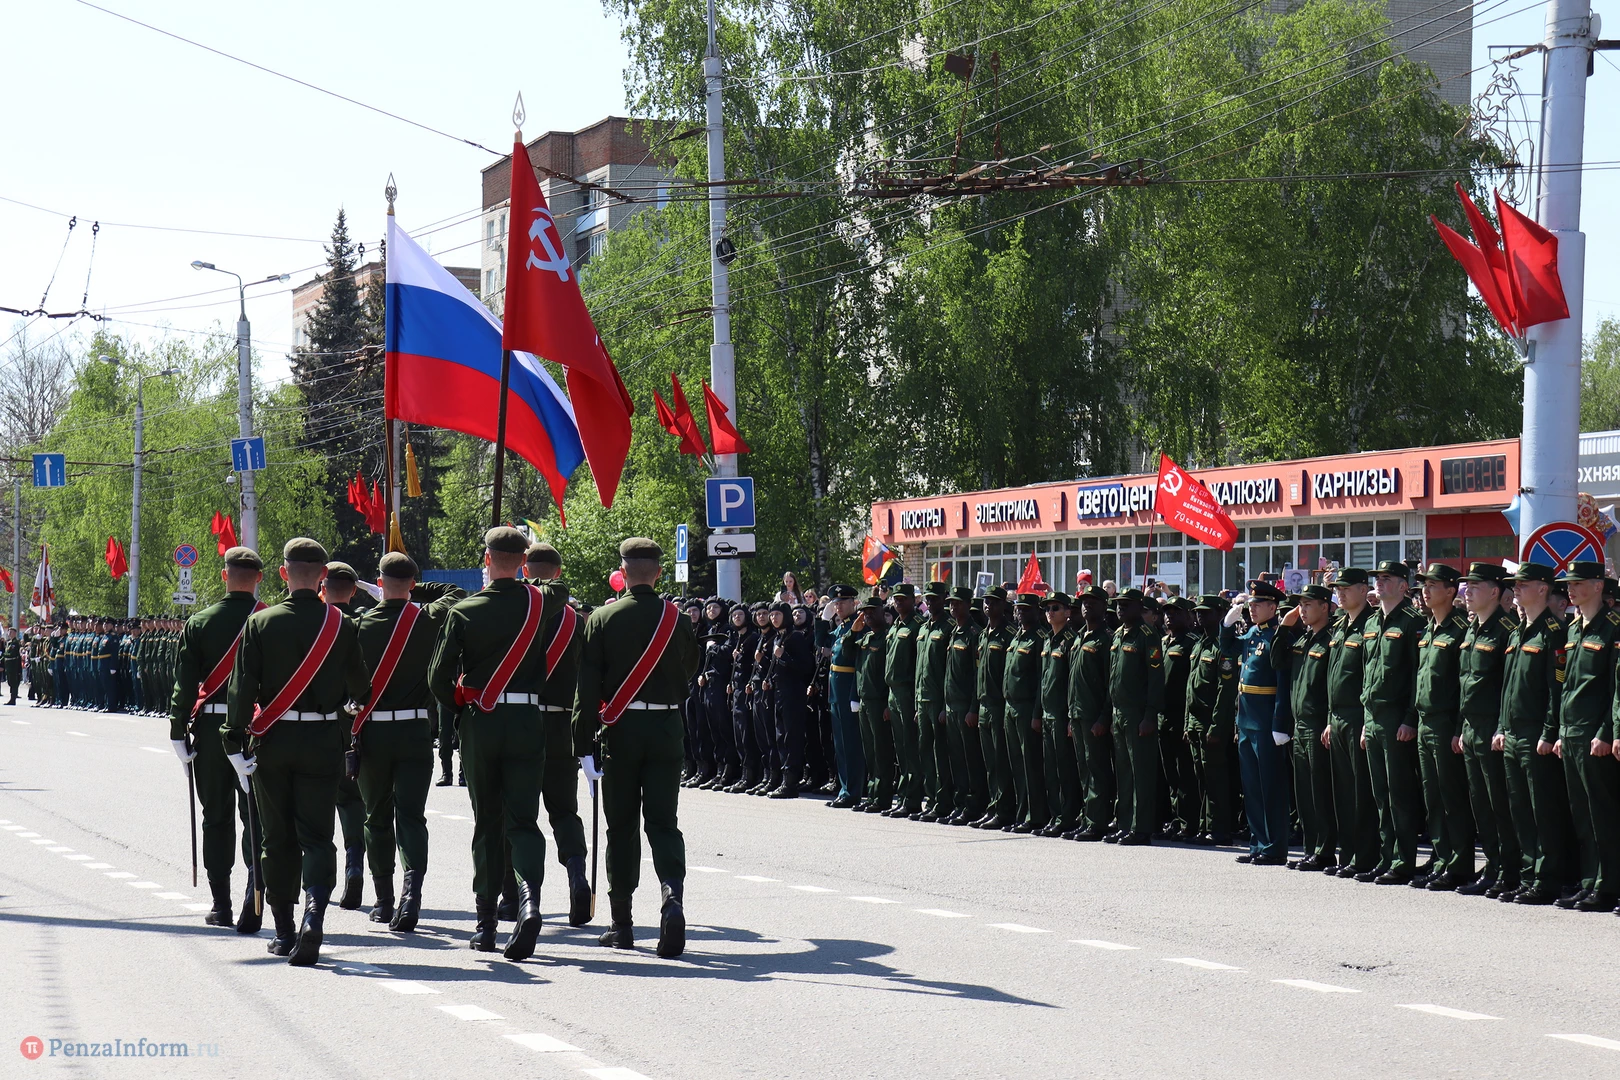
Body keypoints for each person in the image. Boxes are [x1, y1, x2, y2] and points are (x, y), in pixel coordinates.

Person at [223, 538, 372, 966]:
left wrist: (233, 739)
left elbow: (242, 688)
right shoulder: (341, 624)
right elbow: (361, 687)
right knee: (318, 836)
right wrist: (343, 702)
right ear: (323, 576)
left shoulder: (260, 623)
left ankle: (285, 930)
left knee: (276, 838)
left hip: (274, 741)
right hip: (322, 740)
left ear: (284, 573)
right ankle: (314, 915)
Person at [428, 527, 563, 960]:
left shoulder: (464, 611)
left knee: (487, 822)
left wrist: (461, 705)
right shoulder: (542, 602)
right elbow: (558, 586)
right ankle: (530, 902)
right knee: (523, 820)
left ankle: (486, 926)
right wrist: (526, 573)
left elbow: (438, 677)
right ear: (523, 562)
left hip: (481, 721)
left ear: (486, 560)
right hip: (526, 718)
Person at [572, 537, 700, 957]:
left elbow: (587, 687)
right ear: (659, 573)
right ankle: (672, 899)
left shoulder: (602, 618)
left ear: (622, 572)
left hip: (622, 731)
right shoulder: (677, 619)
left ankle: (622, 924)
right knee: (664, 823)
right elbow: (689, 669)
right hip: (665, 727)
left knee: (622, 827)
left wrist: (582, 740)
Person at [350, 552, 465, 932]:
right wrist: (417, 589)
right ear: (413, 584)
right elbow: (453, 592)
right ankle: (411, 894)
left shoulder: (361, 625)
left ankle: (384, 901)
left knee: (376, 817)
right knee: (412, 816)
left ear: (379, 583)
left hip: (373, 732)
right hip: (416, 730)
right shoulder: (429, 619)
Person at [169, 546, 267, 932]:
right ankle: (253, 896)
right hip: (256, 728)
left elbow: (184, 685)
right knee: (255, 816)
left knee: (216, 816)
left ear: (225, 576)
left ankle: (221, 903)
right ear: (259, 578)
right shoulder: (269, 620)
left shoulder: (199, 623)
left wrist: (178, 729)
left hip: (211, 729)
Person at [1498, 563, 1576, 905]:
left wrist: (1548, 731)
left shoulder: (1553, 632)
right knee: (1520, 810)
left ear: (1543, 589)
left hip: (1535, 734)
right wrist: (1501, 727)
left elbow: (1556, 688)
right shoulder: (1518, 631)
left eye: (1523, 584)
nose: (1515, 588)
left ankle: (1547, 879)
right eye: (1514, 584)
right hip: (1513, 732)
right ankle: (1529, 875)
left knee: (1542, 809)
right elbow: (1507, 688)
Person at [1551, 561, 1620, 912]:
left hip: (1595, 736)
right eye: (1569, 583)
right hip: (1572, 732)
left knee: (1602, 814)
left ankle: (1609, 886)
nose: (1570, 589)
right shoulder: (1573, 628)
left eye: (1578, 583)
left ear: (1598, 586)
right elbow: (1565, 684)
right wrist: (1561, 731)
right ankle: (1591, 881)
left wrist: (1607, 731)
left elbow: (1614, 688)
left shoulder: (1612, 628)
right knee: (1582, 814)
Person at [1359, 560, 1426, 885]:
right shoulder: (1372, 621)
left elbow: (1416, 674)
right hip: (1373, 717)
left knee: (1399, 793)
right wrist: (1365, 719)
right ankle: (1387, 857)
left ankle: (1403, 861)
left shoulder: (1413, 622)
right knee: (1381, 794)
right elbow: (1367, 671)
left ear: (1403, 586)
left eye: (1387, 579)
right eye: (1378, 578)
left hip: (1396, 718)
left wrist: (1410, 718)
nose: (1380, 583)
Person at [1456, 562, 1519, 897]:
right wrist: (1460, 728)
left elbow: (1508, 686)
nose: (1467, 592)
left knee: (1499, 805)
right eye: (1467, 586)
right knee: (1480, 803)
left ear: (1495, 592)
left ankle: (1509, 870)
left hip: (1492, 727)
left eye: (1475, 586)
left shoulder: (1506, 629)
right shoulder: (1472, 629)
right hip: (1471, 727)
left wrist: (1500, 727)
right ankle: (1493, 867)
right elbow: (1464, 684)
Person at [1412, 564, 1473, 891]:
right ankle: (1441, 857)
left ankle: (1459, 864)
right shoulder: (1429, 628)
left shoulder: (1460, 629)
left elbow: (1463, 683)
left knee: (1452, 797)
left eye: (1432, 585)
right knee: (1432, 796)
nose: (1425, 591)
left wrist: (1458, 727)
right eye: (1424, 585)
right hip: (1425, 721)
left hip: (1446, 722)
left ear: (1451, 591)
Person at [1221, 580, 1290, 865]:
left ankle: (1274, 846)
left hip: (1265, 722)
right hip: (1247, 721)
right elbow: (1227, 649)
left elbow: (1282, 684)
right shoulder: (1251, 633)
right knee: (1251, 787)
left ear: (1273, 608)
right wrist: (1227, 625)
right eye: (1251, 604)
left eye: (1258, 604)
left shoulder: (1277, 637)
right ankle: (1258, 844)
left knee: (1270, 787)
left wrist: (1280, 723)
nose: (1252, 609)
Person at [320, 560, 371, 911]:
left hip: (318, 726)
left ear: (323, 589)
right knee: (355, 801)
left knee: (316, 803)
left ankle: (319, 881)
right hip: (357, 725)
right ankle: (355, 863)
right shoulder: (364, 624)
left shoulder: (315, 623)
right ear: (354, 591)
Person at [1274, 584, 1335, 870]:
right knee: (1304, 794)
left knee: (1320, 791)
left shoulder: (1331, 640)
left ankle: (1325, 850)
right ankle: (1312, 849)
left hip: (1318, 723)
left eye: (1308, 605)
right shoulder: (1302, 639)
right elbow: (1277, 661)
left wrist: (1329, 721)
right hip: (1299, 725)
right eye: (1301, 605)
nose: (1303, 610)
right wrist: (1284, 628)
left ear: (1325, 607)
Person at [1109, 588, 1165, 846]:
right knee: (1123, 772)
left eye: (1126, 605)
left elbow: (1155, 678)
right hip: (1118, 712)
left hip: (1137, 713)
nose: (1120, 609)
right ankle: (1124, 824)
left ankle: (1141, 827)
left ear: (1138, 608)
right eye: (1118, 605)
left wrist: (1150, 715)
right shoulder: (1118, 634)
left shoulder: (1147, 635)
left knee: (1140, 772)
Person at [1186, 595, 1236, 845]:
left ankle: (1219, 829)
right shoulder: (1200, 644)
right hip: (1195, 722)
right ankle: (1205, 826)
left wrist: (1217, 727)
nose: (1200, 616)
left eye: (1206, 612)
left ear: (1220, 615)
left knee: (1215, 778)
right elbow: (1190, 687)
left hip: (1210, 722)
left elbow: (1225, 691)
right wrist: (1187, 723)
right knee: (1202, 777)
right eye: (1198, 612)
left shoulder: (1223, 647)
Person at [1002, 593, 1047, 834]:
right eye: (1018, 609)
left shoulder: (1039, 638)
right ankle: (1021, 814)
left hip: (1027, 707)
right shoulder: (1017, 636)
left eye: (1026, 609)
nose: (1020, 613)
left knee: (1031, 765)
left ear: (1037, 612)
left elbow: (1042, 679)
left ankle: (1035, 815)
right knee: (1016, 765)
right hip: (1010, 706)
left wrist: (1037, 713)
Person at [1038, 592, 1081, 837]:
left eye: (1055, 608)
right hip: (1047, 713)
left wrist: (1070, 717)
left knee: (1065, 770)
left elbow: (1072, 684)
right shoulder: (1048, 640)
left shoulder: (1071, 641)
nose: (1050, 612)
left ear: (1067, 612)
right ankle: (1055, 816)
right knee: (1051, 769)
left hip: (1062, 714)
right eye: (1047, 608)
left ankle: (1067, 817)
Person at [942, 586, 985, 825]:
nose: (953, 607)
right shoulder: (954, 632)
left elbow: (977, 676)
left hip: (965, 707)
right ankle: (960, 804)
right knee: (956, 759)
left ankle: (973, 805)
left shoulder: (974, 634)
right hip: (951, 705)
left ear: (969, 605)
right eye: (951, 603)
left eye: (958, 603)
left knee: (971, 760)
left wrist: (973, 708)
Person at [1157, 597, 1199, 840]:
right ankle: (1175, 818)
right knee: (1170, 773)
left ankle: (1188, 822)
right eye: (1167, 612)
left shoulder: (1191, 643)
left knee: (1185, 773)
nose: (1169, 616)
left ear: (1188, 616)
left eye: (1175, 612)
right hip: (1162, 716)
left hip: (1180, 715)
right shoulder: (1163, 643)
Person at [973, 587, 1015, 830]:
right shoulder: (983, 635)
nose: (988, 606)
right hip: (983, 704)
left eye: (994, 602)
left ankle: (1004, 810)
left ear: (1003, 605)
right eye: (986, 602)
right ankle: (993, 807)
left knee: (1001, 762)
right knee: (990, 763)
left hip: (999, 705)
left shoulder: (1008, 634)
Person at [915, 582, 953, 821]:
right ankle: (930, 800)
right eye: (928, 598)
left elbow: (950, 671)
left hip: (939, 700)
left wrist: (945, 705)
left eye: (935, 598)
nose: (930, 602)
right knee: (925, 753)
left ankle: (943, 802)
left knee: (941, 755)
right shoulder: (923, 627)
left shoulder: (949, 627)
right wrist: (916, 702)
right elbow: (919, 668)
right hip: (922, 699)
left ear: (944, 599)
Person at [884, 585, 924, 818]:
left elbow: (918, 665)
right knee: (900, 749)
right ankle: (903, 797)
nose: (898, 602)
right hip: (893, 693)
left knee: (910, 749)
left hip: (908, 692)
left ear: (912, 600)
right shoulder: (896, 626)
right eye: (896, 599)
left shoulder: (917, 625)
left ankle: (913, 799)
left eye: (903, 599)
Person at [825, 585, 866, 808]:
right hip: (836, 693)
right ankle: (844, 789)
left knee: (851, 745)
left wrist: (854, 695)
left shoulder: (857, 627)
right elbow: (822, 641)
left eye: (842, 602)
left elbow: (857, 663)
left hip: (848, 690)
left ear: (853, 603)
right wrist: (822, 619)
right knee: (840, 745)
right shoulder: (841, 628)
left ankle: (853, 791)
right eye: (835, 603)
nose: (838, 606)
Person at [3, 626, 21, 705]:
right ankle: (12, 698)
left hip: (14, 665)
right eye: (9, 632)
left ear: (15, 633)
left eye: (11, 632)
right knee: (10, 681)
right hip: (8, 665)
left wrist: (4, 655)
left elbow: (12, 654)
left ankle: (13, 699)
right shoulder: (9, 642)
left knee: (13, 682)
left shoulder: (15, 643)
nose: (9, 633)